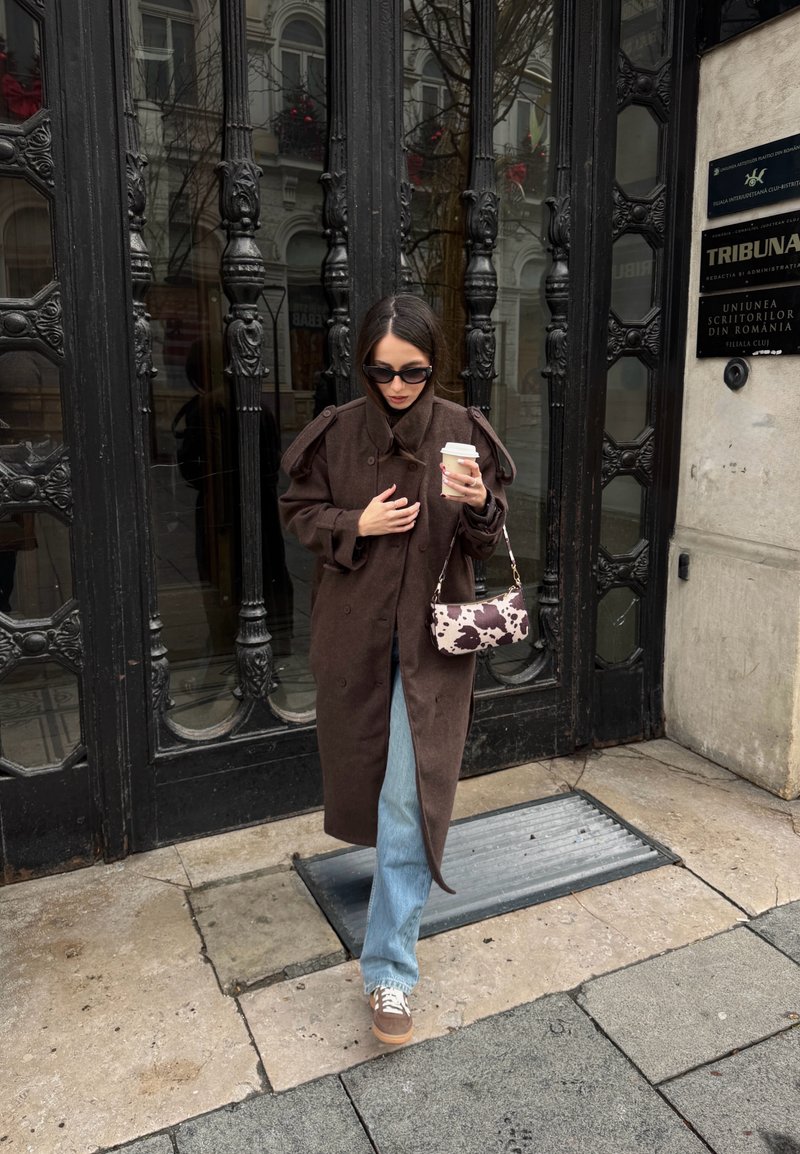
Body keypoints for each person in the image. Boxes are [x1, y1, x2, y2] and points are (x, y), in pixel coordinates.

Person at [279, 294, 515, 1045]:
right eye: (381, 371)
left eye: (411, 370)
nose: (397, 386)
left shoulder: (463, 434)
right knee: (372, 782)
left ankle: (389, 971)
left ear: (433, 362)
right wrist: (358, 523)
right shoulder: (338, 433)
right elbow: (297, 508)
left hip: (432, 648)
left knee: (413, 795)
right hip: (354, 639)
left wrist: (479, 505)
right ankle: (385, 879)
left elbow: (487, 541)